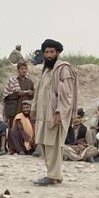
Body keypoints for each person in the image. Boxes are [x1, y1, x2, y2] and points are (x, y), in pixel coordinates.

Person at [32, 39, 79, 186]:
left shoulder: (63, 69)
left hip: (54, 114)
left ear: (58, 52)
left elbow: (67, 95)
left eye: (52, 52)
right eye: (46, 52)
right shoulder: (46, 69)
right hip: (42, 115)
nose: (49, 55)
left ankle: (53, 176)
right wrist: (34, 108)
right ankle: (54, 174)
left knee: (53, 145)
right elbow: (39, 91)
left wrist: (60, 112)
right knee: (44, 144)